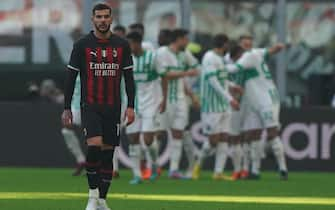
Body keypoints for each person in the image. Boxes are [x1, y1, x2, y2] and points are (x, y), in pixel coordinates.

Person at [61, 3, 135, 210]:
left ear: (111, 19)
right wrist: (67, 107)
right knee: (94, 146)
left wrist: (131, 106)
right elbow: (70, 77)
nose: (102, 20)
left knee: (107, 153)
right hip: (90, 105)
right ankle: (92, 196)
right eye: (99, 17)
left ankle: (102, 200)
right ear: (92, 20)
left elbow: (129, 78)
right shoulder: (82, 45)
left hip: (113, 107)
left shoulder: (122, 45)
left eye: (106, 17)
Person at [227, 42, 288, 180]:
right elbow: (268, 51)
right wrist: (277, 48)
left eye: (236, 58)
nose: (237, 61)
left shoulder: (248, 55)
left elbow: (234, 69)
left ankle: (283, 168)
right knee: (254, 135)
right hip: (255, 102)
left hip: (267, 99)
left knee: (272, 133)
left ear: (238, 55)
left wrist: (214, 68)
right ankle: (255, 171)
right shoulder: (256, 53)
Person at [193, 34, 241, 180]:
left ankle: (218, 172)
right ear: (223, 44)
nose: (229, 47)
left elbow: (222, 79)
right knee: (213, 140)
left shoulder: (220, 59)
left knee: (224, 137)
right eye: (228, 44)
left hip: (223, 105)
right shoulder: (209, 58)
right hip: (211, 105)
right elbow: (213, 81)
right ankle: (197, 165)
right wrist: (230, 98)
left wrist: (233, 86)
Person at [125, 31, 168, 184]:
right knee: (132, 138)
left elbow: (164, 76)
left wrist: (164, 99)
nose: (128, 47)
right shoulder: (126, 59)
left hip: (151, 103)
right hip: (132, 104)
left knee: (148, 139)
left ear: (137, 43)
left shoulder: (152, 57)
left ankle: (154, 164)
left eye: (130, 44)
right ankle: (137, 174)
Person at [156, 28, 199, 178]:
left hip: (180, 99)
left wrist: (192, 95)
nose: (187, 43)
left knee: (178, 133)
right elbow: (164, 75)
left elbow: (196, 67)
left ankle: (173, 169)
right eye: (186, 39)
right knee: (158, 134)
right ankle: (153, 165)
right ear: (178, 39)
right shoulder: (162, 53)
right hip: (163, 98)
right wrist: (187, 73)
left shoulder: (184, 54)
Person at [61, 76, 86, 176]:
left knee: (93, 134)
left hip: (90, 105)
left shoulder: (93, 65)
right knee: (66, 129)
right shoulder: (74, 67)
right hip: (75, 105)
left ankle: (95, 164)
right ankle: (81, 160)